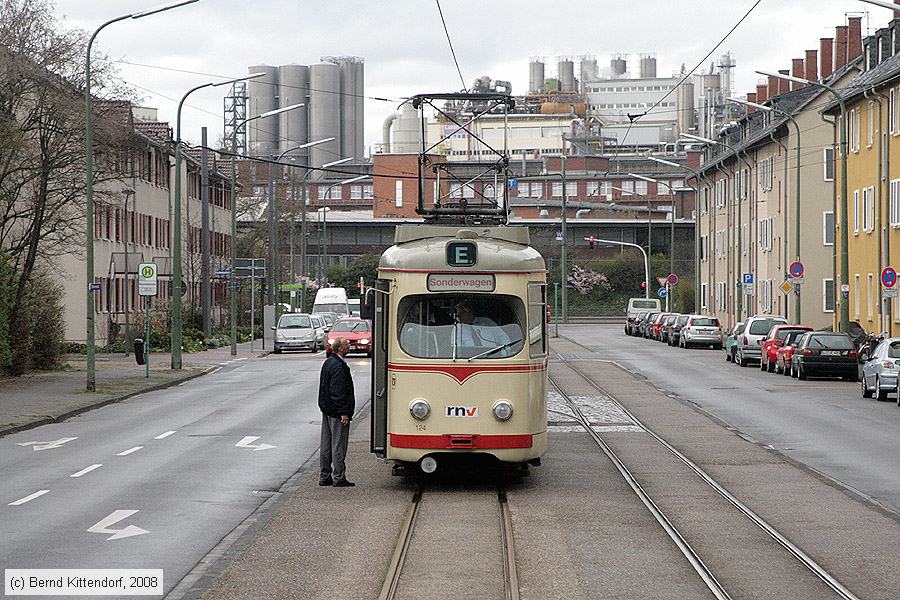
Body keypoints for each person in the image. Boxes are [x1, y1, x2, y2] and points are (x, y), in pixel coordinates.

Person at [318, 337, 355, 487]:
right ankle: (339, 476)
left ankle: (324, 475)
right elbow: (338, 391)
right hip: (337, 412)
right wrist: (344, 413)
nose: (349, 345)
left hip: (327, 409)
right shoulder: (339, 367)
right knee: (338, 444)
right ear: (340, 348)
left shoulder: (328, 362)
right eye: (347, 344)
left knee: (326, 444)